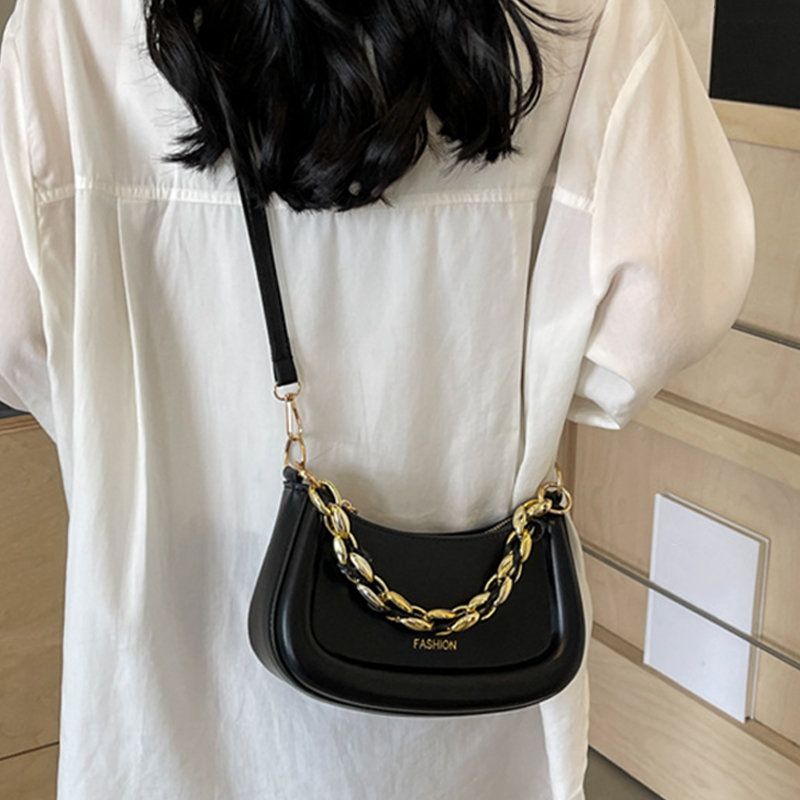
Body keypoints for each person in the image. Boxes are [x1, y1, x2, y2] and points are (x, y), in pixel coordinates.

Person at [0, 0, 753, 798]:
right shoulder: (597, 15)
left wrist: (117, 419)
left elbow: (18, 335)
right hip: (465, 716)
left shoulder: (67, 24)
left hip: (169, 699)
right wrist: (533, 385)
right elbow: (670, 311)